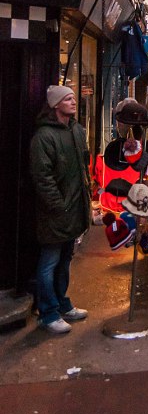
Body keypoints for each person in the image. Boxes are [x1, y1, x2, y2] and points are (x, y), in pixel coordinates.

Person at [30, 85, 91, 335]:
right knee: (49, 262)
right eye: (67, 99)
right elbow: (42, 177)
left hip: (75, 209)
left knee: (65, 260)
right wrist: (58, 206)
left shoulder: (76, 130)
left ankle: (61, 303)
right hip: (55, 213)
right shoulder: (43, 137)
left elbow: (82, 168)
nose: (73, 102)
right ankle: (48, 312)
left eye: (74, 97)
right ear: (56, 105)